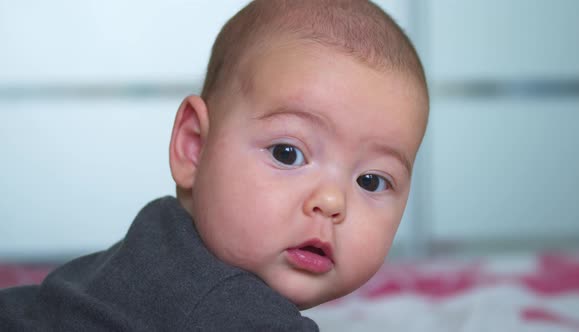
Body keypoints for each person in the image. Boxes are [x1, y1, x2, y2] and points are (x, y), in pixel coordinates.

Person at [0, 0, 429, 330]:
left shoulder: (161, 237)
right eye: (287, 153)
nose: (332, 201)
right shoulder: (231, 312)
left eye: (371, 180)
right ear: (194, 147)